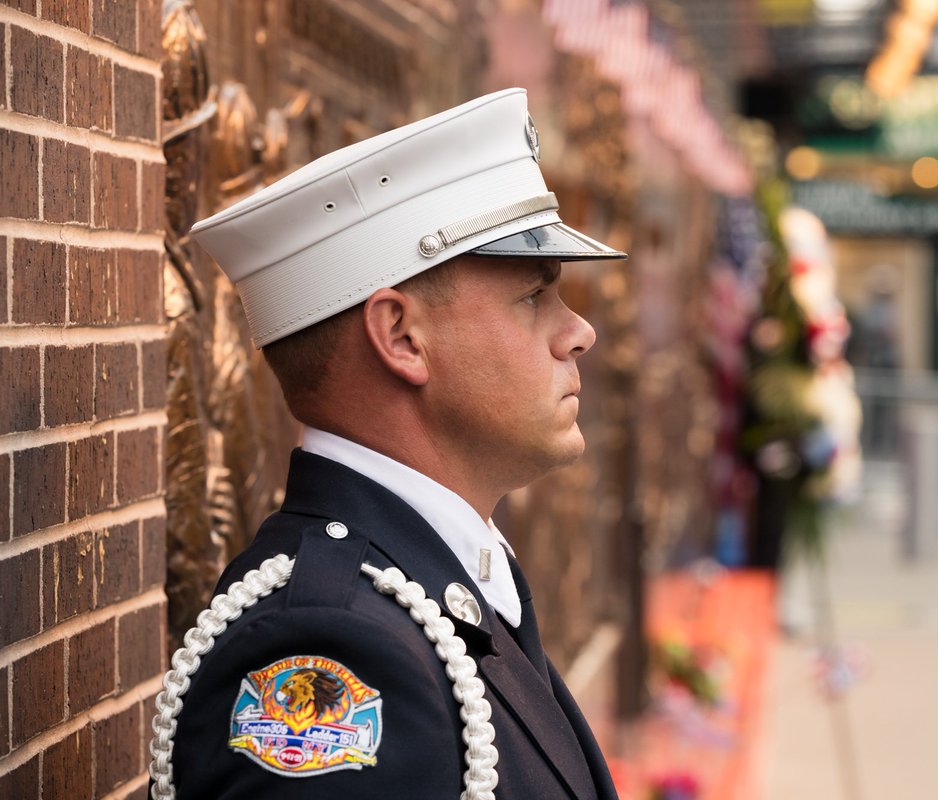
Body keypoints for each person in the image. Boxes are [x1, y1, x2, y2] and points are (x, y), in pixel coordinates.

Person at [147, 89, 625, 800]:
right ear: (401, 337)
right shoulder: (327, 646)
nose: (578, 330)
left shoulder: (434, 586)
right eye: (533, 296)